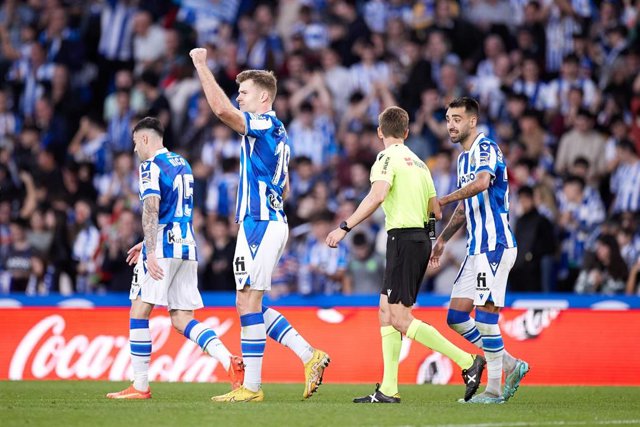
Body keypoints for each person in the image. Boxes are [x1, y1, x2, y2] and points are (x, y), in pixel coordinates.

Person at [189, 48, 330, 403]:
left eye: (244, 92)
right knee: (246, 301)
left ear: (264, 97)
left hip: (262, 224)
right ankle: (307, 354)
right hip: (259, 221)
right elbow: (284, 186)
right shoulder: (274, 132)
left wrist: (201, 65)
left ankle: (251, 387)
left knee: (250, 301)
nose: (238, 97)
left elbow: (221, 111)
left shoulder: (265, 123)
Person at [326, 106, 485, 404]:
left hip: (403, 239)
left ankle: (467, 362)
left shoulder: (386, 158)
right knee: (385, 312)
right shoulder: (421, 164)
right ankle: (388, 388)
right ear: (407, 132)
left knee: (399, 318)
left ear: (379, 132)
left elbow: (378, 194)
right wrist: (433, 242)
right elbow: (435, 209)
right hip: (417, 239)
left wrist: (345, 227)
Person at [107, 117, 244, 400]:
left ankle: (141, 385)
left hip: (163, 248)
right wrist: (145, 241)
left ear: (145, 139)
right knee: (182, 319)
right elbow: (174, 210)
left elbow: (152, 210)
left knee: (138, 311)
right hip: (187, 246)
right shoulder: (182, 163)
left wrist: (152, 250)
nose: (134, 151)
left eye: (135, 143)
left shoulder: (149, 167)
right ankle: (228, 360)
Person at [431, 97, 529, 404]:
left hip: (495, 245)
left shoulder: (485, 148)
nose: (451, 124)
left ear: (472, 121)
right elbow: (466, 206)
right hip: (476, 248)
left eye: (457, 118)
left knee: (487, 317)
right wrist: (444, 237)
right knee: (457, 316)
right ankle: (511, 363)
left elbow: (483, 183)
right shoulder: (462, 159)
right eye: (448, 118)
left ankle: (495, 390)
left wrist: (442, 200)